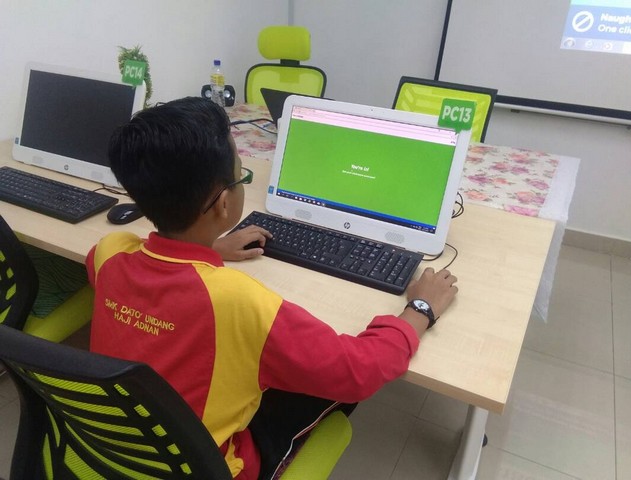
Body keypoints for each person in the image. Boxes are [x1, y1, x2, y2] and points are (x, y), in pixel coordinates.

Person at [86, 97, 458, 480]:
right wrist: (420, 309)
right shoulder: (239, 303)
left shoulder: (110, 254)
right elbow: (358, 372)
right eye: (241, 176)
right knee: (331, 390)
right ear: (224, 204)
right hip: (218, 469)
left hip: (112, 452)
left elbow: (138, 269)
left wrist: (209, 248)